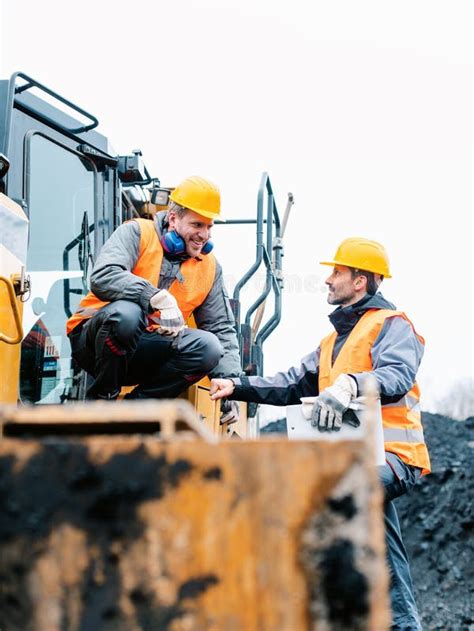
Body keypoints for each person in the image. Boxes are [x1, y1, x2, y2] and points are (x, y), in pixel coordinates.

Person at [210, 237, 430, 630]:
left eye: (337, 272)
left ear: (360, 281)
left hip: (395, 457)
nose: (328, 280)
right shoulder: (331, 342)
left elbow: (396, 376)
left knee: (331, 494)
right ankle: (400, 624)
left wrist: (349, 385)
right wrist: (237, 386)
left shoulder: (393, 325)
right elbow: (291, 383)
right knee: (377, 529)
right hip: (357, 459)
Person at [67, 175, 241, 423]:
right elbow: (104, 275)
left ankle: (136, 412)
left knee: (209, 347)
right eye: (197, 225)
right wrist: (156, 297)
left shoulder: (210, 267)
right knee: (127, 314)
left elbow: (220, 327)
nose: (204, 235)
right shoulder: (137, 232)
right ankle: (102, 400)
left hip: (145, 349)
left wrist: (231, 383)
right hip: (95, 343)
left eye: (209, 226)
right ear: (173, 218)